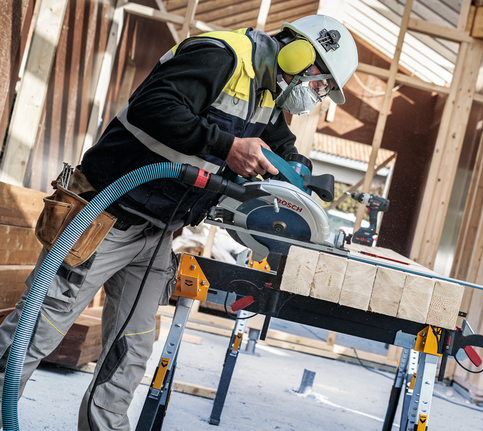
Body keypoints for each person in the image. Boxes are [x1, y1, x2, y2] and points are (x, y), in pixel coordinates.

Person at [0, 14, 358, 431]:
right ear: (301, 55)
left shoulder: (268, 91)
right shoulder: (219, 55)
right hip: (107, 215)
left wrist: (297, 168)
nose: (317, 96)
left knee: (131, 351)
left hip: (160, 231)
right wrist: (226, 147)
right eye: (320, 84)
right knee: (38, 328)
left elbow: (280, 143)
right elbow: (154, 106)